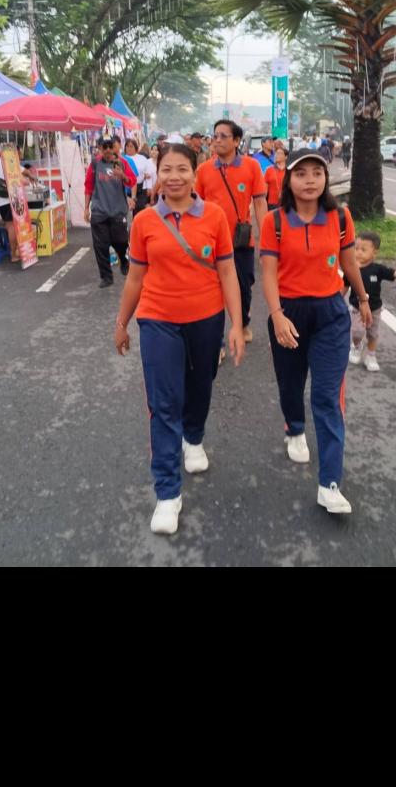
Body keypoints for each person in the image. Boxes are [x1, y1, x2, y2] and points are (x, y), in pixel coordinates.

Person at [114, 144, 245, 535]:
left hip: (207, 318)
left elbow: (227, 272)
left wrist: (236, 324)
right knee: (164, 402)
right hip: (158, 320)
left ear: (194, 173)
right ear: (157, 174)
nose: (174, 177)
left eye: (182, 169)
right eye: (167, 169)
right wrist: (122, 322)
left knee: (201, 386)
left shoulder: (215, 216)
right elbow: (135, 277)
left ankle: (194, 437)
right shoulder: (144, 221)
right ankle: (168, 492)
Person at [259, 148, 372, 515]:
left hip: (330, 315)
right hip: (288, 313)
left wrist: (363, 298)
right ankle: (294, 427)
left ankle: (330, 484)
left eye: (316, 173)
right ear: (288, 180)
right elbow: (269, 273)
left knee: (326, 396)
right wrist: (276, 315)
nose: (310, 180)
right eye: (301, 173)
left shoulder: (340, 217)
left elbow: (349, 262)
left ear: (325, 178)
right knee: (291, 384)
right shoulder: (274, 221)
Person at [194, 119, 267, 345]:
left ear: (236, 141)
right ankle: (217, 342)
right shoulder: (204, 170)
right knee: (212, 291)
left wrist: (266, 240)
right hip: (211, 242)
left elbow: (260, 203)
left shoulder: (251, 166)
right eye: (215, 136)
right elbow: (196, 206)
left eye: (223, 136)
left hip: (241, 240)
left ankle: (242, 323)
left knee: (244, 285)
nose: (217, 140)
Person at [344, 231, 396, 372]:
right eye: (356, 248)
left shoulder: (378, 269)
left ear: (374, 252)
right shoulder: (351, 270)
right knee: (357, 332)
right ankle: (356, 346)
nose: (358, 252)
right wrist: (336, 302)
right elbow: (344, 287)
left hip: (375, 309)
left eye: (363, 249)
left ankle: (371, 356)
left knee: (373, 333)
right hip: (356, 308)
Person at [84, 137, 137, 287]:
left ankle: (123, 260)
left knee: (120, 241)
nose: (107, 150)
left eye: (110, 146)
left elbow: (132, 181)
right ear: (100, 148)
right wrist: (86, 208)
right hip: (99, 211)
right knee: (100, 245)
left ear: (114, 147)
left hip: (118, 211)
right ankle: (106, 277)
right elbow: (88, 186)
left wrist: (122, 176)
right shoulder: (95, 164)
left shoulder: (122, 163)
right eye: (104, 146)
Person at [264, 146, 287, 210]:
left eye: (279, 153)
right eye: (276, 153)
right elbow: (264, 191)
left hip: (286, 204)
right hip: (272, 205)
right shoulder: (269, 170)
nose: (276, 155)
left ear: (286, 157)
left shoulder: (290, 170)